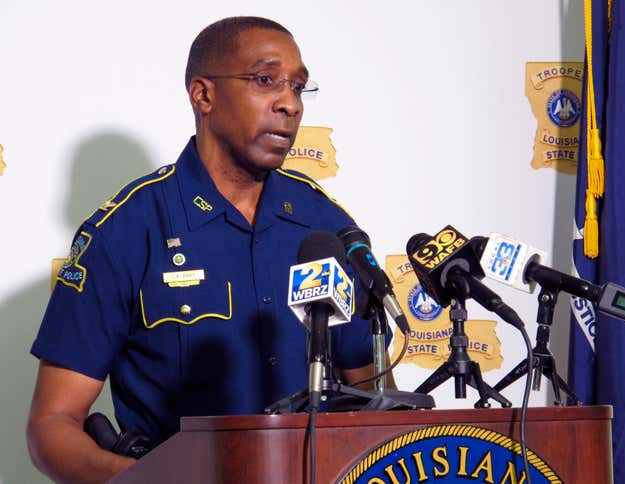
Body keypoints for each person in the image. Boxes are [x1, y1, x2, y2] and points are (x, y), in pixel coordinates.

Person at [26, 16, 387, 483]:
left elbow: (375, 405)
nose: (289, 104)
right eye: (265, 80)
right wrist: (144, 479)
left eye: (298, 87)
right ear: (204, 95)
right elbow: (52, 427)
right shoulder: (125, 230)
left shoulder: (327, 226)